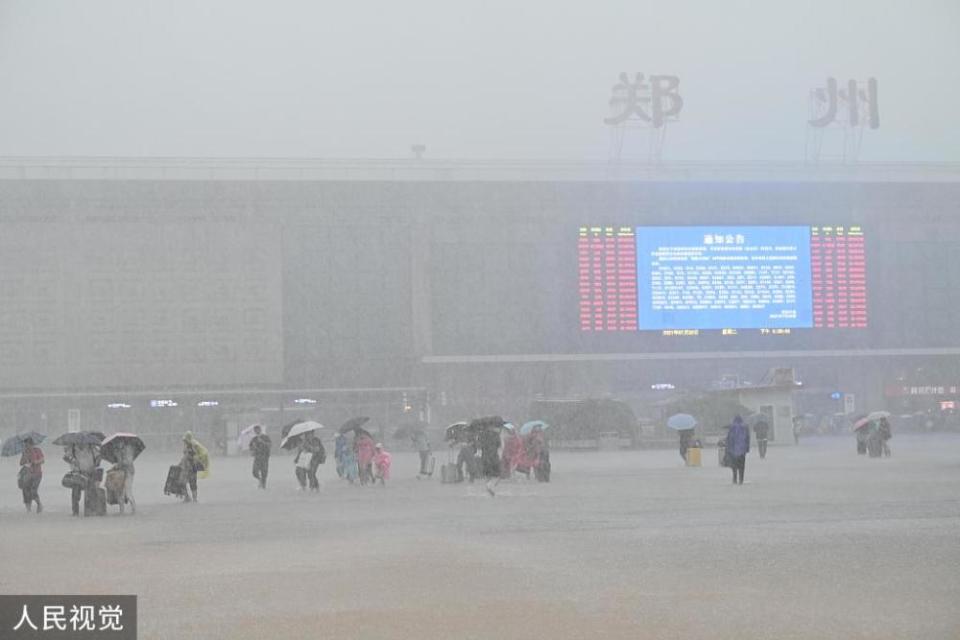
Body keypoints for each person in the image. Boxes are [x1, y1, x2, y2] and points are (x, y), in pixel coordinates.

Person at [63, 443, 99, 517]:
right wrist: (72, 460)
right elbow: (65, 457)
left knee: (90, 493)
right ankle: (75, 512)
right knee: (76, 494)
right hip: (77, 474)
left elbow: (98, 457)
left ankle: (89, 511)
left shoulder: (92, 447)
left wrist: (96, 463)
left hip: (90, 473)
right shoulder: (72, 448)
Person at [179, 432, 208, 503]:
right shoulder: (188, 446)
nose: (184, 441)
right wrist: (181, 463)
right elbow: (185, 457)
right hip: (186, 467)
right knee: (182, 482)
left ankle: (194, 499)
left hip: (191, 467)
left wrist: (190, 459)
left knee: (192, 483)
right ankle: (187, 497)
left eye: (185, 440)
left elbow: (191, 456)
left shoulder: (193, 446)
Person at [19, 437, 44, 513]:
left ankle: (39, 504)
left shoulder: (37, 450)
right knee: (25, 490)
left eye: (27, 444)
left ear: (31, 444)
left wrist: (35, 462)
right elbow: (21, 463)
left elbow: (42, 460)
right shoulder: (25, 452)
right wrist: (25, 460)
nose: (26, 446)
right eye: (25, 445)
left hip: (37, 474)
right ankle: (28, 508)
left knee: (33, 490)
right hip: (27, 474)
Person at [726, 415, 750, 485]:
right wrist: (747, 448)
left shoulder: (732, 427)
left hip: (733, 450)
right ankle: (741, 480)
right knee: (742, 465)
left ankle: (734, 479)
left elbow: (729, 438)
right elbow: (747, 438)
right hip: (742, 450)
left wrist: (728, 448)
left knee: (734, 465)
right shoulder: (745, 427)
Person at [479, 426, 502, 496]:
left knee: (488, 473)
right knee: (498, 473)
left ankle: (488, 485)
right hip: (493, 456)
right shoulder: (496, 435)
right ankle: (491, 486)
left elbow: (480, 445)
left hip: (485, 457)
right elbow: (499, 445)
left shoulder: (482, 435)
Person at [249, 425, 272, 489]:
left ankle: (263, 486)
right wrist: (253, 449)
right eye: (255, 430)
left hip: (264, 457)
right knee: (254, 472)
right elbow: (251, 448)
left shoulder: (265, 437)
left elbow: (269, 445)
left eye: (257, 430)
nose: (256, 431)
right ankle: (260, 480)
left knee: (264, 472)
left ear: (260, 430)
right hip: (257, 457)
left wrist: (262, 442)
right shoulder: (254, 439)